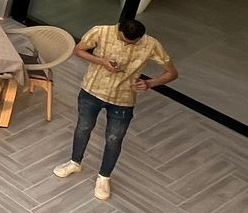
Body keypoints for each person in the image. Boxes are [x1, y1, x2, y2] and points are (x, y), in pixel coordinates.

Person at [54, 16, 177, 201]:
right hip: (92, 91)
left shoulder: (151, 44)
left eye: (134, 43)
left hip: (123, 99)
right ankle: (74, 162)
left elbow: (172, 73)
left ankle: (104, 177)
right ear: (119, 30)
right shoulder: (101, 31)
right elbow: (78, 50)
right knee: (83, 128)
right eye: (125, 41)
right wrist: (102, 61)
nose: (128, 45)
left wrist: (150, 83)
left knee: (114, 139)